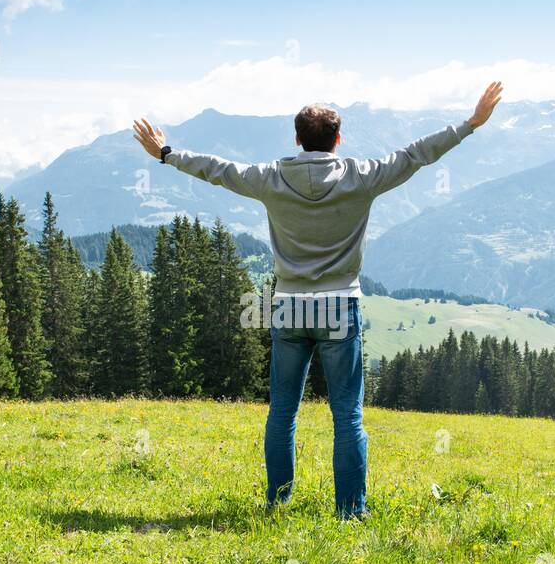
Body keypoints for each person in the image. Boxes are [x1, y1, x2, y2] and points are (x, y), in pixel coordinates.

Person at [132, 81, 503, 518]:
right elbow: (415, 154)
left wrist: (167, 153)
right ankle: (350, 511)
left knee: (282, 412)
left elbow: (218, 169)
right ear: (338, 139)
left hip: (289, 305)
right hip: (339, 306)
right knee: (347, 416)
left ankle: (278, 503)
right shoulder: (362, 177)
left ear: (297, 139)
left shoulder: (269, 178)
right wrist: (471, 124)